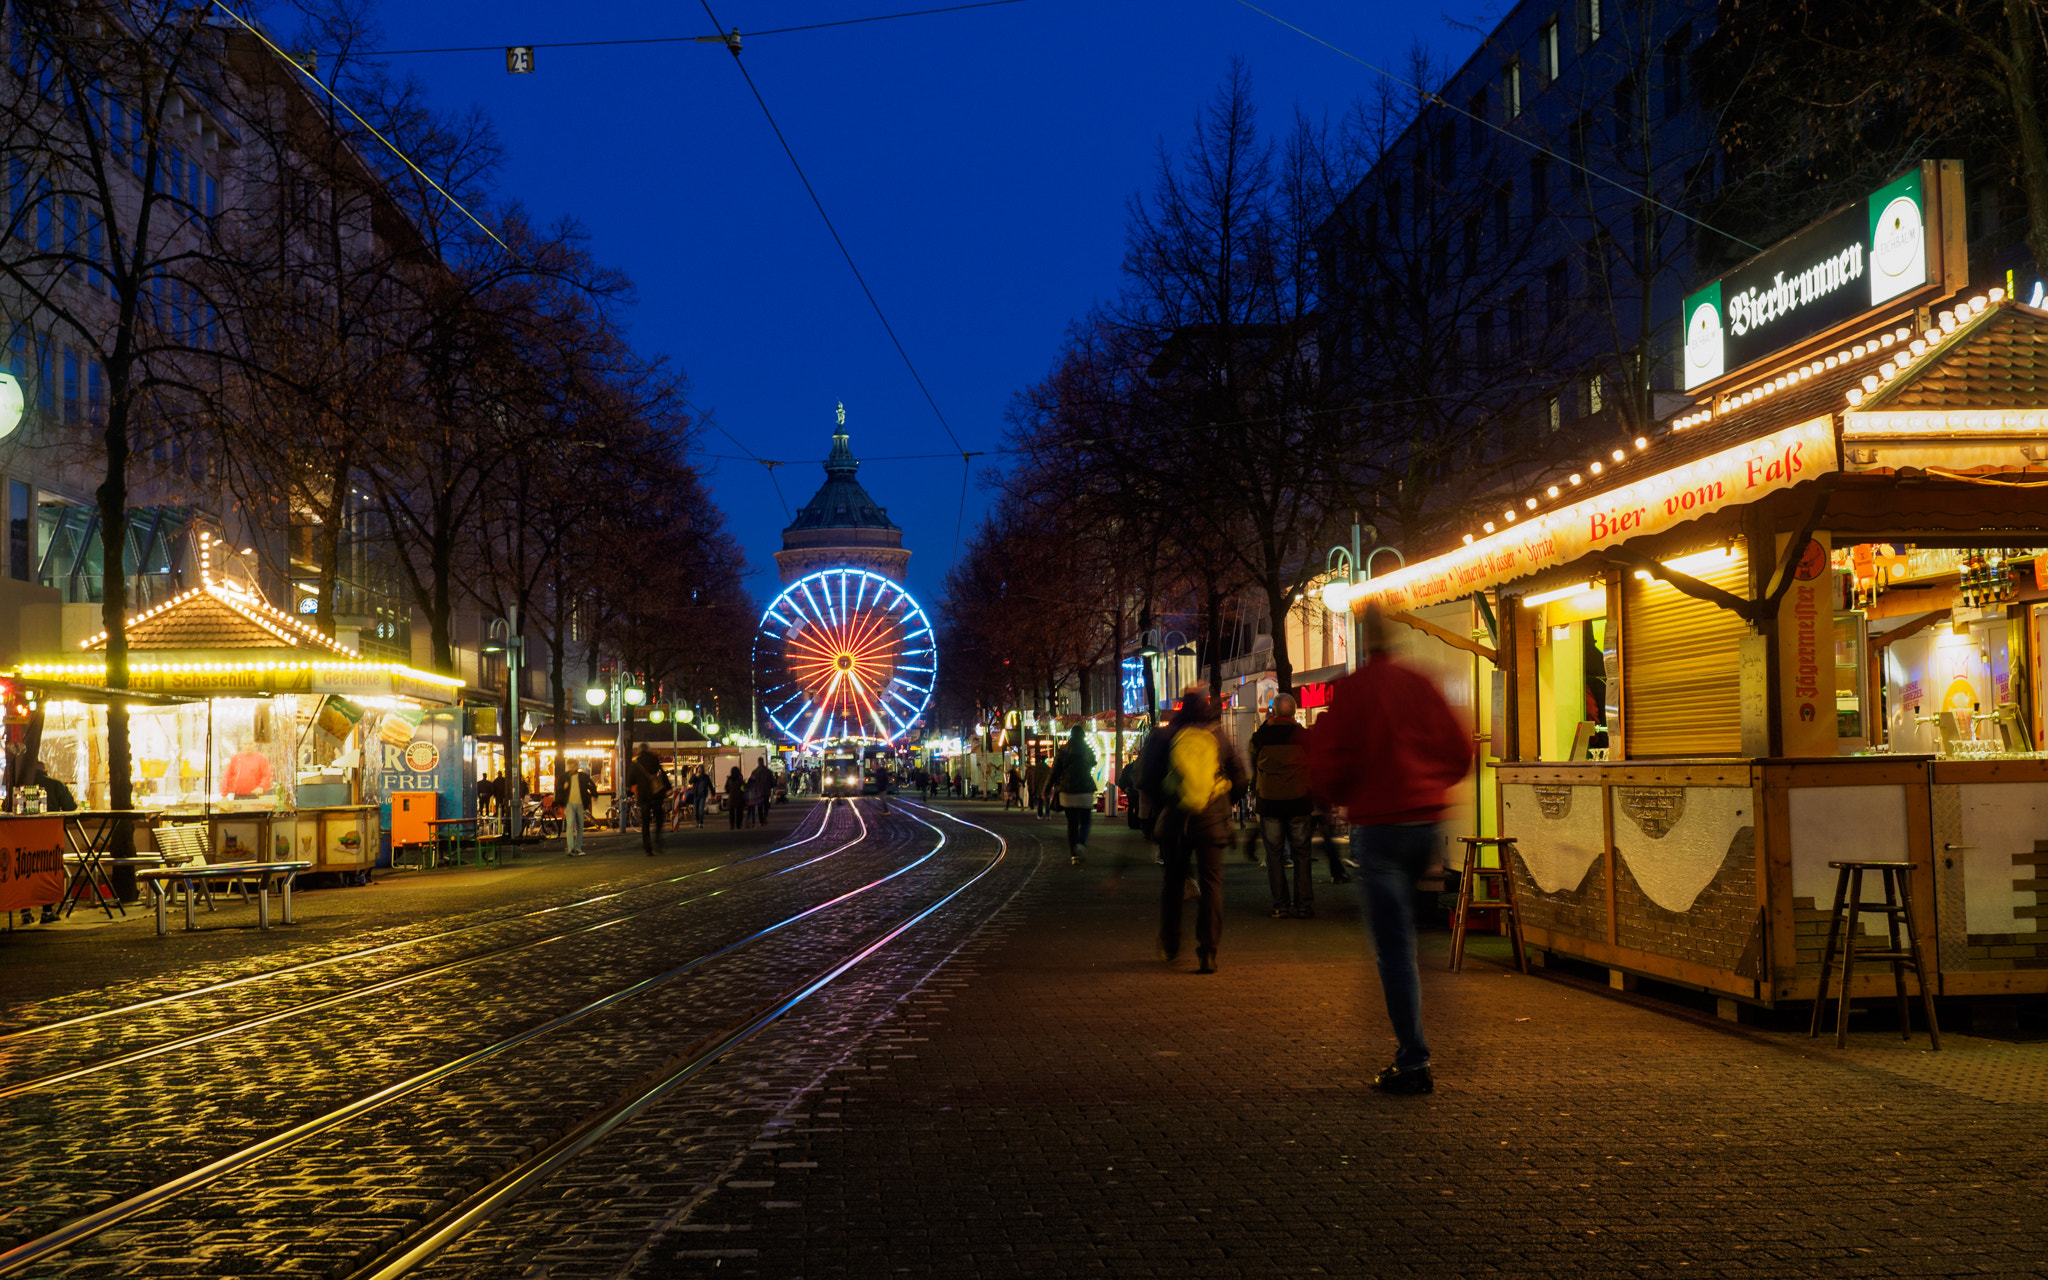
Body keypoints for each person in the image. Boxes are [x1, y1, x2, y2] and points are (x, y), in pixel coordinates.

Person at [1310, 604, 1474, 1097]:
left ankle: (1413, 1059)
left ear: (1362, 641)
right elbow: (1459, 751)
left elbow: (1328, 763)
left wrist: (1348, 796)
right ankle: (1422, 1027)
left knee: (1394, 946)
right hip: (1424, 822)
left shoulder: (1354, 692)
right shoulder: (1420, 682)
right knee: (1410, 935)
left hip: (1379, 826)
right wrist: (1430, 790)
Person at [1155, 685, 1245, 974]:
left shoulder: (1167, 735)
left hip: (1177, 820)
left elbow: (1147, 777)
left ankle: (1170, 944)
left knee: (1174, 882)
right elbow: (1240, 777)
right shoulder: (1218, 736)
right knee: (1211, 885)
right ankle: (1208, 951)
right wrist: (1225, 800)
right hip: (1212, 819)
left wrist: (1164, 803)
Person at [1251, 694, 1317, 919]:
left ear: (1274, 712)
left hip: (1270, 803)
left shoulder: (1260, 737)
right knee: (1302, 854)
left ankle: (1280, 904)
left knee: (1275, 855)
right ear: (1294, 712)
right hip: (1299, 801)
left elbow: (1253, 760)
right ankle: (1304, 905)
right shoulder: (1305, 737)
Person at [1049, 725, 1098, 866]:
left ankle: (1073, 856)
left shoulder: (1063, 751)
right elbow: (1093, 762)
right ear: (1083, 735)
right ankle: (1081, 844)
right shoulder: (1088, 750)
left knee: (1072, 824)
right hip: (1085, 790)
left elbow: (1054, 772)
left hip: (1068, 791)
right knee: (1086, 822)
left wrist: (1046, 788)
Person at [629, 746, 670, 856]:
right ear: (647, 750)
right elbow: (661, 773)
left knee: (645, 823)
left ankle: (647, 848)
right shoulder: (654, 760)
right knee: (659, 818)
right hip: (656, 794)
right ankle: (657, 838)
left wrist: (631, 792)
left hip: (643, 796)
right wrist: (668, 787)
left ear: (639, 751)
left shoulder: (635, 763)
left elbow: (630, 780)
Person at [560, 765, 595, 857]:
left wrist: (594, 793)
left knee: (576, 826)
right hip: (572, 804)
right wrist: (594, 794)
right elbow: (591, 784)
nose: (572, 768)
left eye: (573, 766)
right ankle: (573, 848)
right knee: (573, 826)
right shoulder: (578, 776)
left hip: (578, 803)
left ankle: (575, 848)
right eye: (570, 766)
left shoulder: (569, 776)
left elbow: (590, 785)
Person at [748, 759, 776, 827]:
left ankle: (761, 820)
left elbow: (751, 781)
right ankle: (765, 815)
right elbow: (773, 781)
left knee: (759, 806)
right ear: (763, 762)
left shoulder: (755, 772)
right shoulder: (768, 772)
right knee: (766, 805)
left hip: (758, 791)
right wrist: (770, 786)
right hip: (766, 791)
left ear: (758, 762)